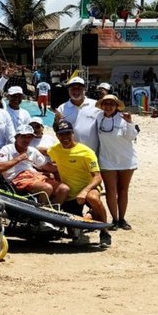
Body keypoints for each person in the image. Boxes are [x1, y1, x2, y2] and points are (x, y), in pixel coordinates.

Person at [47, 120, 111, 248]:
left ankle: (104, 232)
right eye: (61, 134)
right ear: (57, 136)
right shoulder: (54, 150)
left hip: (89, 188)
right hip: (70, 194)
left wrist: (85, 191)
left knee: (93, 198)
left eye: (68, 133)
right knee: (73, 234)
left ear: (73, 133)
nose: (65, 137)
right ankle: (89, 216)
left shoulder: (86, 152)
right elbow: (45, 154)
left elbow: (97, 177)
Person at [95, 95, 138, 230]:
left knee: (123, 190)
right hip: (106, 160)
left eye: (111, 104)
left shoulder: (123, 118)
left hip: (126, 160)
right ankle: (114, 219)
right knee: (110, 191)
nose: (108, 106)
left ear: (116, 106)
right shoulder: (98, 117)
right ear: (102, 106)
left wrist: (129, 123)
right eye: (105, 103)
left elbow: (131, 137)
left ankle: (122, 219)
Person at [0, 125, 69, 203]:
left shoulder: (32, 151)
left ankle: (53, 208)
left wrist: (64, 164)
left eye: (29, 137)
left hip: (33, 175)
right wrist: (19, 158)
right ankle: (41, 208)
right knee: (47, 187)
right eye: (23, 136)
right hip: (16, 178)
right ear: (16, 137)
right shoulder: (7, 149)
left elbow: (48, 167)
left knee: (64, 189)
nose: (26, 139)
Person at [54, 76, 100, 153]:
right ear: (68, 90)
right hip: (71, 153)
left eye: (79, 88)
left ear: (85, 89)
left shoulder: (96, 105)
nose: (76, 90)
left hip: (92, 153)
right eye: (72, 88)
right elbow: (57, 130)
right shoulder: (61, 108)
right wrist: (57, 123)